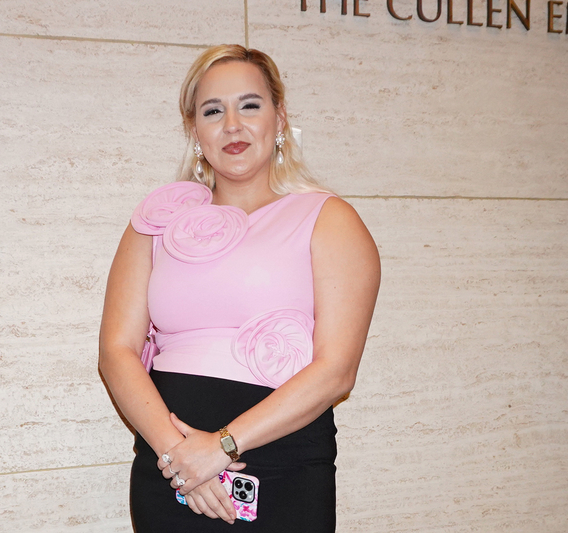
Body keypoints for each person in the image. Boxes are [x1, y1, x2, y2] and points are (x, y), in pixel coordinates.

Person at [99, 44, 380, 532]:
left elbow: (337, 371)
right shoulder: (154, 223)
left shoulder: (330, 219)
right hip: (171, 472)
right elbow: (115, 351)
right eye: (213, 111)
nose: (232, 125)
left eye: (249, 105)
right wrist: (179, 455)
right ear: (194, 130)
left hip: (283, 468)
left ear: (279, 117)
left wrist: (220, 447)